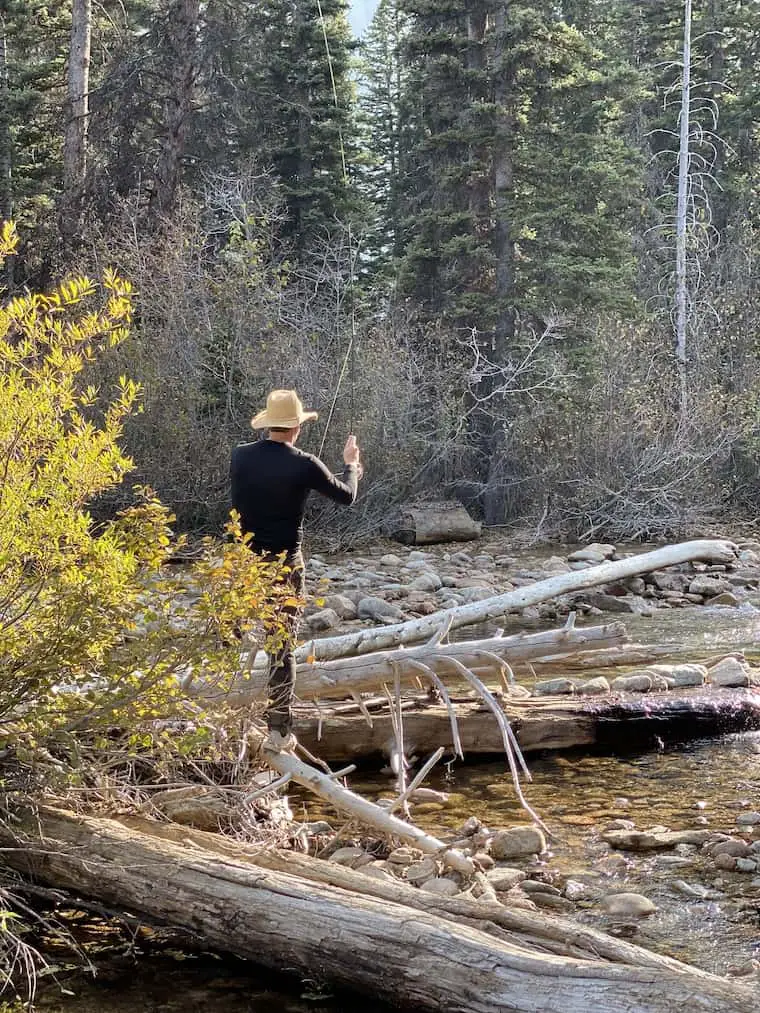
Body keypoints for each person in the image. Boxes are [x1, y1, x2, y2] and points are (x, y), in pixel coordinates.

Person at [229, 388, 362, 751]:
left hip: (241, 567)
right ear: (296, 428)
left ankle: (219, 714)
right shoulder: (305, 463)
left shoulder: (239, 457)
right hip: (285, 567)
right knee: (280, 648)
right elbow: (346, 496)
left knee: (230, 639)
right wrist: (351, 464)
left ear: (270, 423)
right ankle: (278, 730)